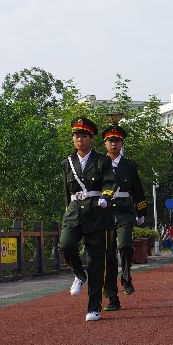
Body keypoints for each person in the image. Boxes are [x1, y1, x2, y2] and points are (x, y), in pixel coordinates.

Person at [60, 117, 116, 322]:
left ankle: (94, 307)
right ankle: (78, 274)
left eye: (83, 135)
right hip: (74, 212)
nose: (79, 139)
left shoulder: (102, 161)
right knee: (66, 244)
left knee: (96, 262)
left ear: (91, 138)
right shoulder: (67, 163)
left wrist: (105, 197)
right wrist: (67, 210)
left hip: (96, 212)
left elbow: (110, 183)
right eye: (76, 135)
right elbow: (66, 191)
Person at [101, 125, 148, 312]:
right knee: (108, 255)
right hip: (104, 212)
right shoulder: (99, 164)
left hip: (125, 211)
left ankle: (126, 278)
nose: (113, 144)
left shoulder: (129, 165)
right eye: (110, 141)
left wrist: (141, 212)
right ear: (105, 143)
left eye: (117, 141)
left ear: (121, 144)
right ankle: (112, 297)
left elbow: (137, 189)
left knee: (125, 245)